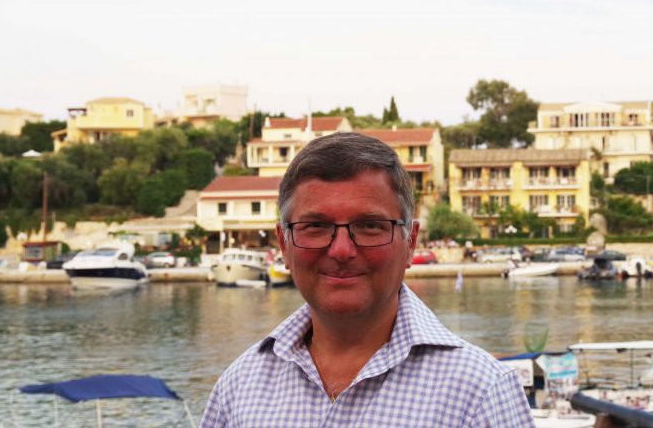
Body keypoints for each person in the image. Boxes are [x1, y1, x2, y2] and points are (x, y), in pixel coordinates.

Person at [200, 132, 534, 427]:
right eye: (315, 226)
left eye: (370, 226)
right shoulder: (238, 389)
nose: (342, 250)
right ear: (284, 245)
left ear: (410, 243)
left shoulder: (480, 394)